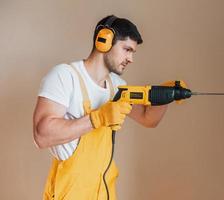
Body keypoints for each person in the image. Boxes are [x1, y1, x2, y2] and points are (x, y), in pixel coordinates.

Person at [33, 15, 171, 200]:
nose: (130, 59)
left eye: (133, 52)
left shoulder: (116, 86)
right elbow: (42, 135)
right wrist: (97, 118)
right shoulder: (66, 76)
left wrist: (167, 95)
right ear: (104, 40)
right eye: (127, 49)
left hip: (103, 191)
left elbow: (148, 119)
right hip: (70, 192)